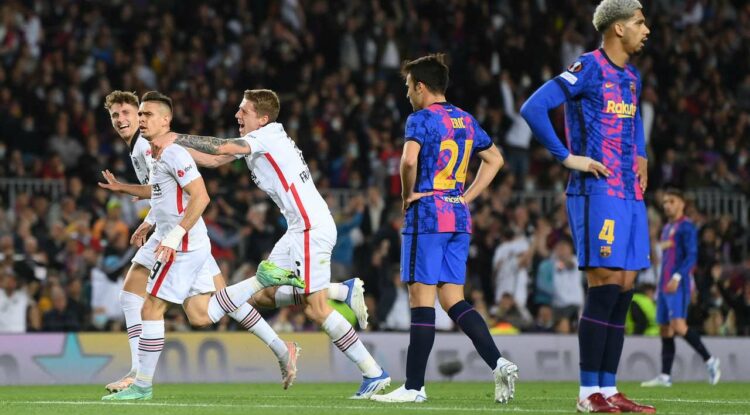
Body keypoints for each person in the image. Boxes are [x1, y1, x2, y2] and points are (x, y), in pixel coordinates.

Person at [161, 89, 390, 399]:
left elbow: (222, 145)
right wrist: (172, 150)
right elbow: (214, 159)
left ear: (263, 118)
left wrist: (176, 137)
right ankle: (340, 291)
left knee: (316, 310)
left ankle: (373, 372)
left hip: (310, 228)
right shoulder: (261, 139)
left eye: (244, 111)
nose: (237, 115)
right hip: (298, 229)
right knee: (263, 295)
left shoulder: (266, 136)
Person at [100, 91, 304, 401]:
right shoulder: (147, 146)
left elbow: (193, 192)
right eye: (119, 115)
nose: (127, 120)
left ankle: (138, 377)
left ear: (164, 120)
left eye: (133, 113)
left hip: (179, 234)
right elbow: (162, 190)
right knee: (204, 312)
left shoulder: (153, 146)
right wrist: (148, 218)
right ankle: (281, 344)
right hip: (179, 231)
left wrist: (166, 230)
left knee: (141, 300)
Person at [521, 0, 655, 412]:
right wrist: (566, 157)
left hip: (629, 193)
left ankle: (609, 389)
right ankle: (587, 393)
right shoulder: (588, 67)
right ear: (618, 28)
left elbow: (634, 120)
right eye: (639, 22)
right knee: (605, 285)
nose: (646, 30)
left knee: (625, 289)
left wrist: (641, 154)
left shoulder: (631, 77)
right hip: (597, 192)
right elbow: (533, 108)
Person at [370, 54, 517, 404]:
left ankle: (414, 387)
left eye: (409, 86)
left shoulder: (420, 119)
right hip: (458, 217)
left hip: (427, 216)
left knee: (421, 300)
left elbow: (409, 160)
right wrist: (466, 196)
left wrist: (407, 195)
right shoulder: (466, 119)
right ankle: (498, 362)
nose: (407, 93)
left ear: (421, 86)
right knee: (453, 299)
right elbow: (495, 159)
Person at [641, 189, 720, 387]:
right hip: (663, 285)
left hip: (678, 284)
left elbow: (692, 256)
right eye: (665, 202)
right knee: (665, 329)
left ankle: (710, 360)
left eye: (672, 201)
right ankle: (665, 376)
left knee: (678, 325)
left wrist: (677, 276)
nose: (667, 205)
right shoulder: (667, 227)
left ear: (682, 204)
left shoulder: (687, 226)